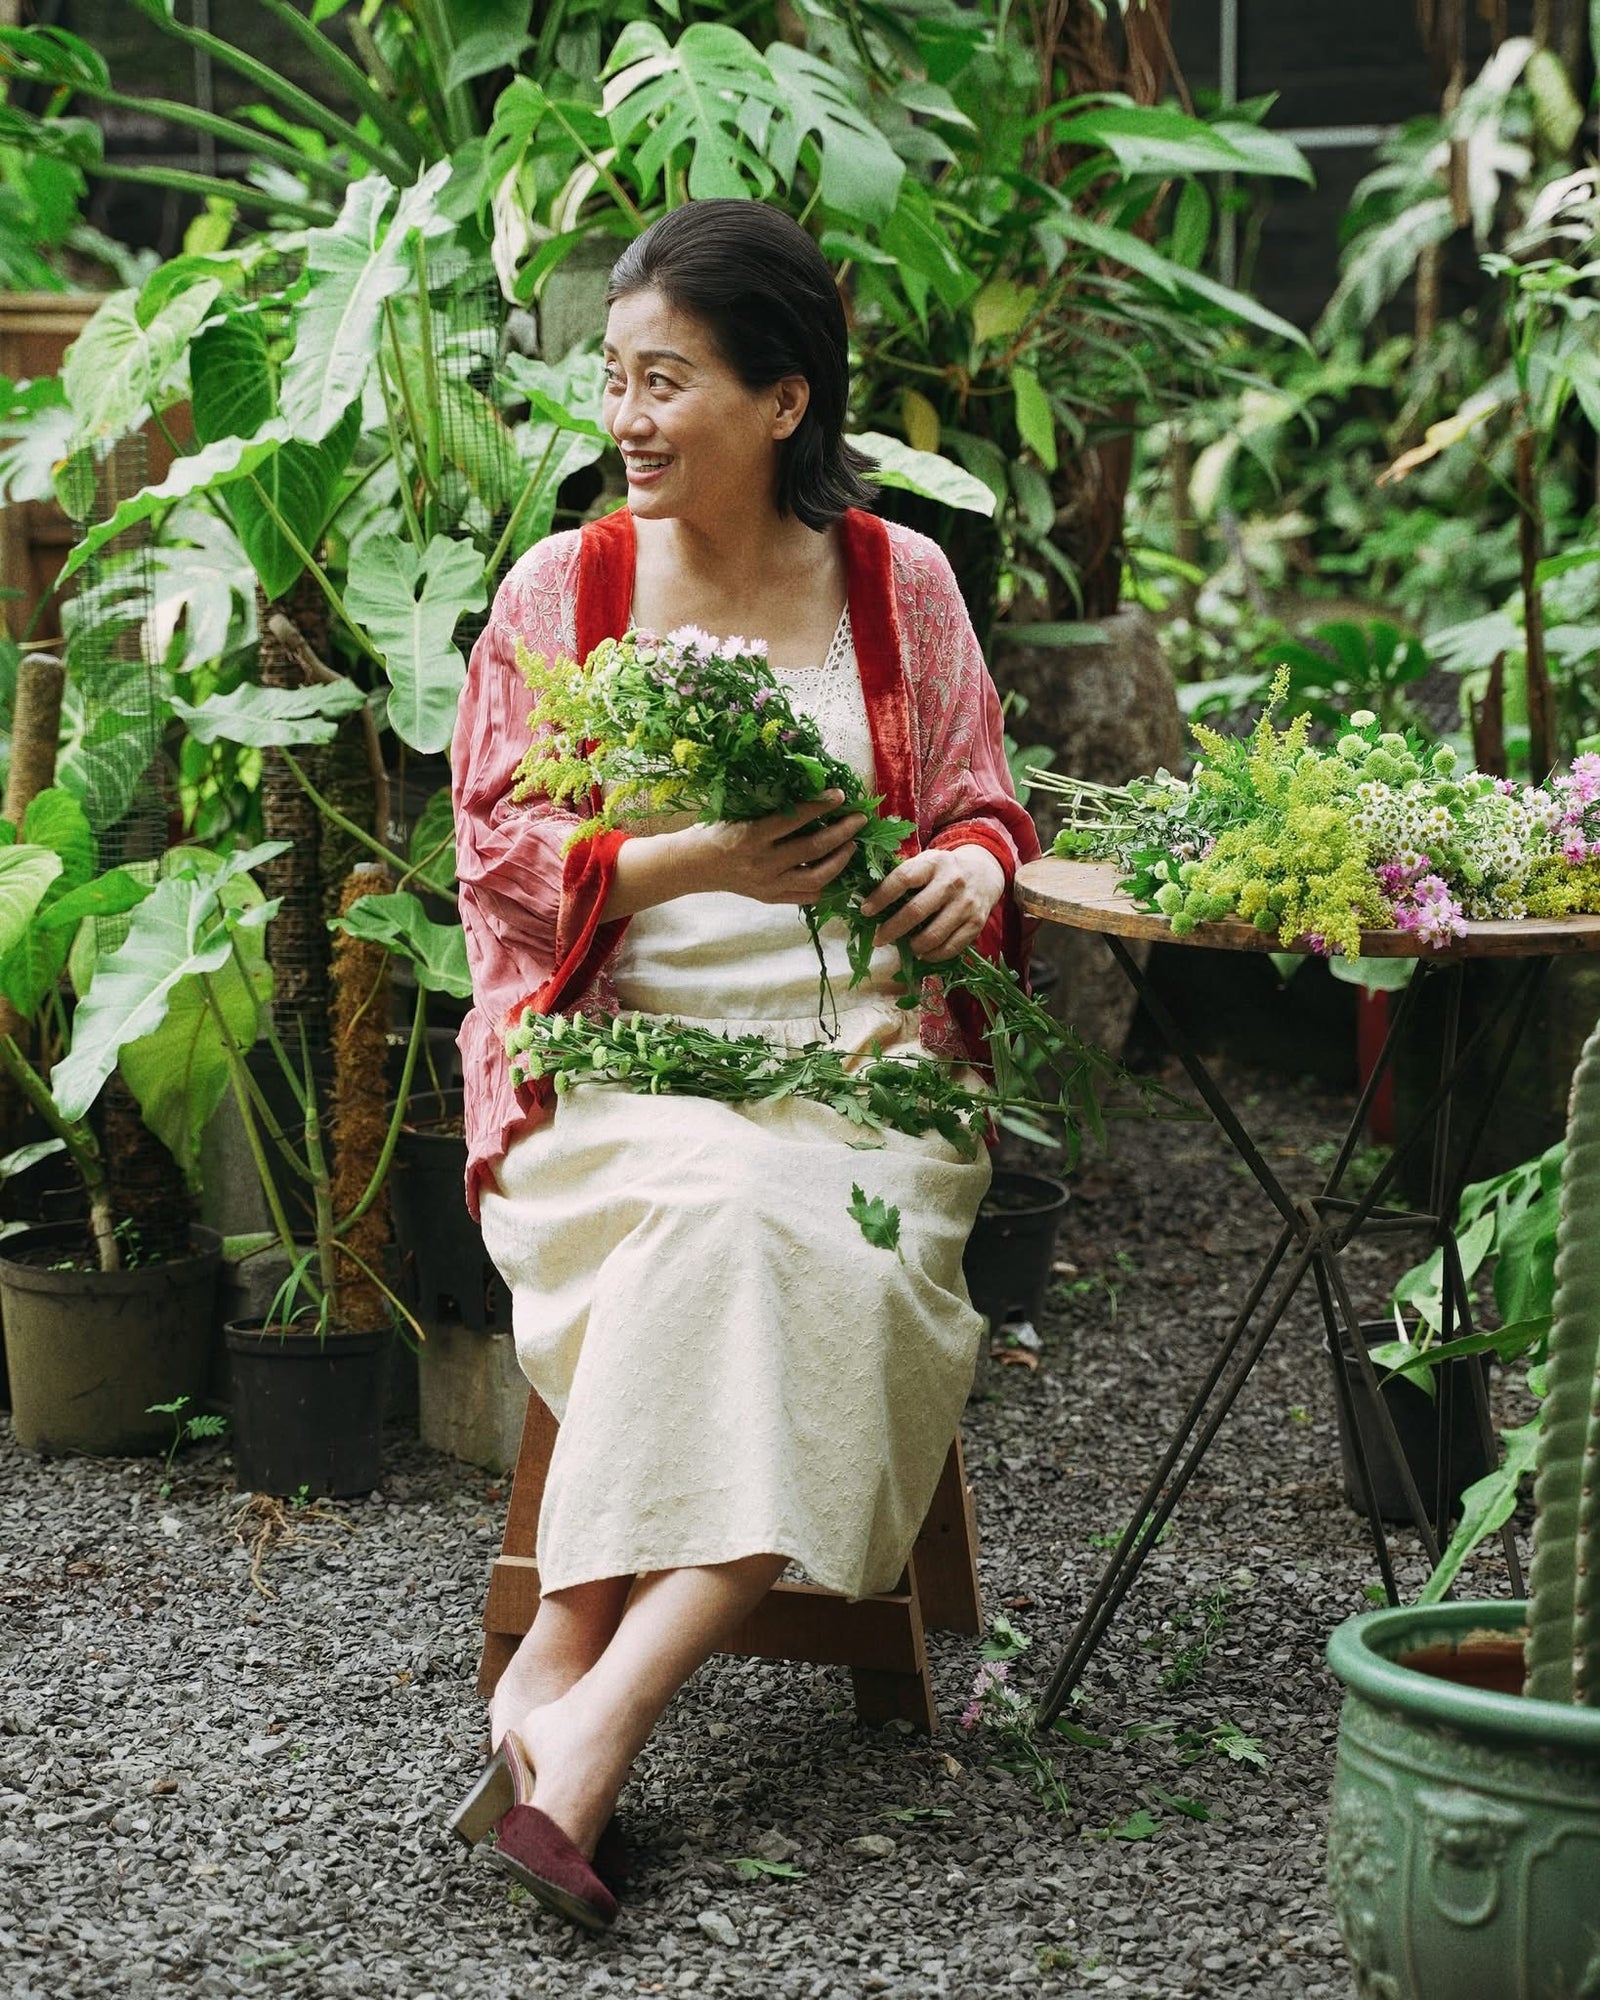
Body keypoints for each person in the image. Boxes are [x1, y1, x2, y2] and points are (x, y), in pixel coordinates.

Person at [448, 198, 1040, 1931]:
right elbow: (493, 848)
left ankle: (575, 1697)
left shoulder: (897, 581)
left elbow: (988, 801)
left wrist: (977, 871)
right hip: (618, 1073)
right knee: (723, 1205)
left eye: (667, 380)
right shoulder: (567, 591)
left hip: (866, 1066)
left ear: (784, 402)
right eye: (616, 381)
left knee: (788, 1208)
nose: (626, 418)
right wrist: (690, 860)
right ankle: (585, 1701)